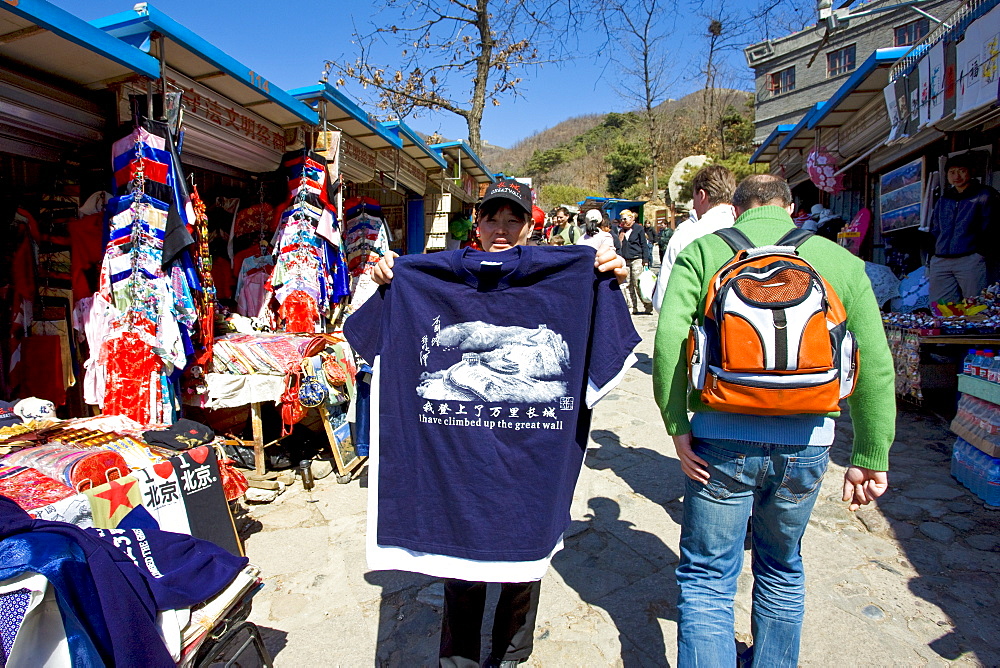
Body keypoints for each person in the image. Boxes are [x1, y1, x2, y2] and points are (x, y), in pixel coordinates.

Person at [366, 182, 632, 668]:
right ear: (478, 224)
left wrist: (606, 282)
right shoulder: (425, 278)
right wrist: (388, 278)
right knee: (460, 564)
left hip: (531, 462)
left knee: (523, 562)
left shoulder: (573, 278)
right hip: (456, 460)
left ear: (530, 226)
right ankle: (459, 659)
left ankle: (511, 655)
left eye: (514, 220)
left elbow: (601, 359)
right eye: (493, 219)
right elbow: (367, 340)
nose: (503, 230)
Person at [652, 174, 894, 667]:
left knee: (706, 578)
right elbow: (876, 362)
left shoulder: (704, 252)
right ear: (788, 208)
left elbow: (668, 344)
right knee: (781, 568)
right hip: (806, 443)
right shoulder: (840, 260)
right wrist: (870, 453)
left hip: (719, 438)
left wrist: (678, 426)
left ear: (736, 211)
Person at [652, 165, 737, 312]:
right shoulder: (747, 228)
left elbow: (663, 302)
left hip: (702, 329)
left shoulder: (685, 235)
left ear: (702, 195)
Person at [927, 152, 1000, 304]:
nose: (956, 176)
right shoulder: (944, 199)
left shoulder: (985, 195)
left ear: (971, 172)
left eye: (961, 170)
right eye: (952, 172)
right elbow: (935, 228)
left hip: (970, 258)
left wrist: (980, 253)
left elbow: (993, 227)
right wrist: (933, 253)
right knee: (941, 305)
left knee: (975, 305)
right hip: (941, 259)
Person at [613, 208, 652, 314]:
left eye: (625, 219)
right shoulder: (621, 231)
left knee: (637, 282)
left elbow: (644, 245)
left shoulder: (638, 229)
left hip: (637, 258)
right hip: (626, 259)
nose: (623, 221)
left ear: (631, 218)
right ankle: (632, 306)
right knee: (627, 284)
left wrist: (645, 259)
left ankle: (647, 304)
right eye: (622, 219)